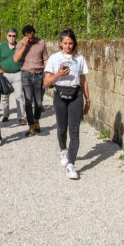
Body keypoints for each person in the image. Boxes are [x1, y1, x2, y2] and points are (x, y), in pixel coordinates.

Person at [44, 28, 90, 179]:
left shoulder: (80, 59)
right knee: (62, 128)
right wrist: (59, 74)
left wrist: (87, 99)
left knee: (74, 131)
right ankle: (63, 149)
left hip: (76, 95)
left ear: (74, 43)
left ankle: (71, 165)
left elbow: (83, 80)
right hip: (60, 95)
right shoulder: (54, 58)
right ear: (60, 43)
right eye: (65, 43)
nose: (68, 46)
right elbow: (46, 82)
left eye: (71, 43)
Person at [13, 24, 48, 137]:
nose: (30, 38)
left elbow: (45, 59)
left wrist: (47, 74)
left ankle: (36, 120)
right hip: (26, 74)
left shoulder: (41, 42)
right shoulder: (20, 44)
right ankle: (31, 126)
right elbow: (16, 59)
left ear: (34, 33)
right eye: (28, 37)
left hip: (38, 74)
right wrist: (24, 46)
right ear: (24, 36)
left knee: (38, 102)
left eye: (32, 36)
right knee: (28, 101)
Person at [0, 28, 26, 125]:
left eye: (14, 36)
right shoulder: (2, 46)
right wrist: (0, 70)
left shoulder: (19, 46)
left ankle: (21, 117)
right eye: (10, 36)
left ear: (16, 37)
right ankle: (5, 114)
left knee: (19, 96)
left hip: (17, 74)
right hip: (5, 75)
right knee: (4, 96)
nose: (12, 38)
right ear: (6, 36)